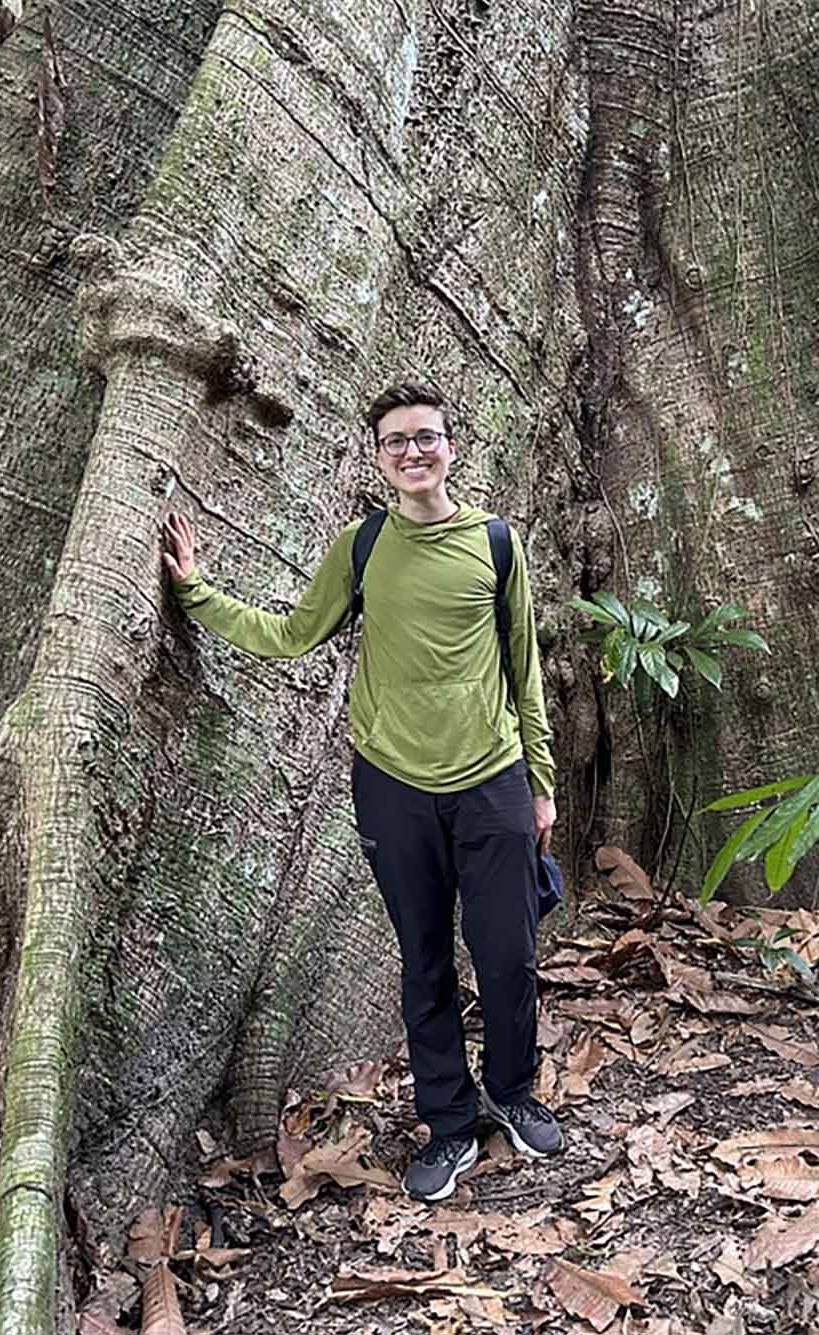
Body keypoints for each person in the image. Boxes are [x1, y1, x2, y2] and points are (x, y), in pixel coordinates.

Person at [159, 381, 562, 1202]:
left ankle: (514, 1091)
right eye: (396, 442)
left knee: (510, 954)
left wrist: (542, 784)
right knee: (424, 964)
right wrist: (195, 590)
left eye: (427, 437)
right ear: (377, 457)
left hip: (495, 782)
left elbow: (527, 672)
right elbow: (294, 633)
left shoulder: (496, 543)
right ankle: (449, 1126)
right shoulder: (364, 544)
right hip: (393, 787)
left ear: (452, 445)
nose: (414, 452)